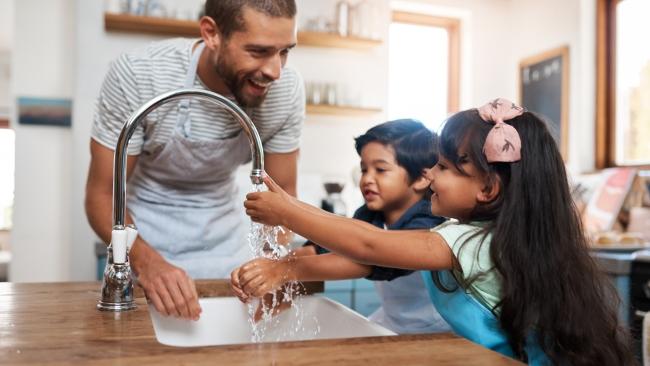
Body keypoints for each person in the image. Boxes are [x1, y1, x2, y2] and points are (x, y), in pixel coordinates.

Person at [239, 99, 635, 365]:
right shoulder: (484, 235)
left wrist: (287, 211)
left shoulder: (464, 240)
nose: (431, 176)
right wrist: (288, 255)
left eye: (444, 168)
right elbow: (357, 238)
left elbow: (367, 245)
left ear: (487, 189)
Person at [85, 0, 304, 321]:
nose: (275, 71)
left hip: (228, 249)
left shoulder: (285, 90)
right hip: (143, 242)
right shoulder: (139, 74)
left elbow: (283, 195)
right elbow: (101, 196)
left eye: (285, 51)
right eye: (258, 51)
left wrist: (271, 265)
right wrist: (147, 264)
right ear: (211, 33)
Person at [232, 119, 450, 334]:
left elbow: (367, 259)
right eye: (364, 169)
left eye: (380, 170)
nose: (367, 179)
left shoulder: (429, 219)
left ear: (423, 178)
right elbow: (324, 247)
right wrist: (266, 268)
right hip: (392, 323)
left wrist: (283, 270)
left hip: (439, 331)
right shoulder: (370, 214)